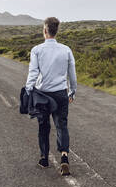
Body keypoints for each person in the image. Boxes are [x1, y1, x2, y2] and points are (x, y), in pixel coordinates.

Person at [25, 17, 77, 175]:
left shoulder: (37, 50)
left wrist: (28, 89)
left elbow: (33, 72)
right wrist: (72, 91)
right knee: (61, 125)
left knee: (43, 126)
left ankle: (44, 159)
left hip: (43, 95)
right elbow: (72, 74)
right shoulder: (66, 49)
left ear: (45, 31)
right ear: (56, 31)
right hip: (60, 93)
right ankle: (64, 157)